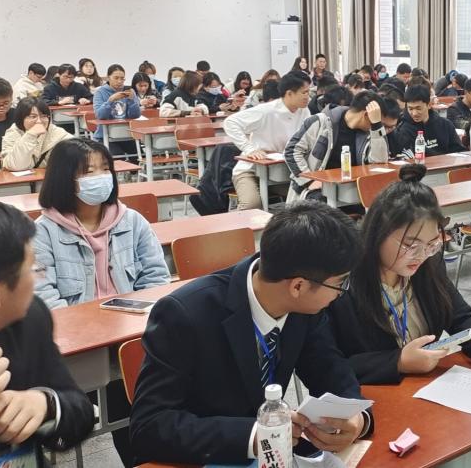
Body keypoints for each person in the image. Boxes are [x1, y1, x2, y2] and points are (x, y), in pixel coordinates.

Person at [129, 203, 374, 466]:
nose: (341, 293)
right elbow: (148, 425)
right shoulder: (185, 313)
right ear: (298, 286)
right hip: (200, 458)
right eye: (340, 283)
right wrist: (255, 434)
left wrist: (358, 419)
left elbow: (330, 368)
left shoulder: (305, 308)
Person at [328, 165, 471, 386]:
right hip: (372, 395)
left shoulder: (428, 265)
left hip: (425, 387)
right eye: (411, 245)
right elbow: (327, 365)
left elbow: (460, 316)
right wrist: (397, 362)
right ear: (378, 233)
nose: (420, 255)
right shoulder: (342, 283)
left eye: (431, 244)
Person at [33, 138, 169, 466]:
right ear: (64, 179)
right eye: (88, 171)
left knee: (148, 394)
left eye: (105, 168)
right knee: (121, 395)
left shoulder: (131, 221)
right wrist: (93, 330)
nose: (100, 177)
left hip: (132, 335)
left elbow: (156, 279)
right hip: (80, 346)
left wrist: (133, 321)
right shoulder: (42, 232)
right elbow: (43, 298)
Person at [0, 199, 95, 466]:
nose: (39, 278)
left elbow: (80, 409)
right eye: (33, 269)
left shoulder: (30, 318)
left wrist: (46, 404)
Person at [286, 92, 400, 200]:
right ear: (366, 115)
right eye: (378, 121)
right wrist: (309, 181)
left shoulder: (370, 133)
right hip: (317, 189)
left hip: (351, 189)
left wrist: (376, 126)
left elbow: (380, 162)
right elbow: (291, 151)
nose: (379, 126)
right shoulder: (320, 122)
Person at [226, 73, 312, 210]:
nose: (308, 96)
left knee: (309, 198)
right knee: (251, 205)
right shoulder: (267, 110)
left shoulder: (304, 111)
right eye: (304, 92)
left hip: (282, 171)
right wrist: (249, 149)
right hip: (251, 170)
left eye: (309, 92)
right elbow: (230, 122)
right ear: (289, 93)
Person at [1, 99, 73, 172]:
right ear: (21, 118)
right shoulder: (13, 133)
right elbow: (15, 166)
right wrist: (31, 135)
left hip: (50, 177)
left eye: (43, 116)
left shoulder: (56, 132)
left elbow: (74, 153)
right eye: (33, 116)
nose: (39, 121)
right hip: (21, 179)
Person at [393, 85, 465, 157]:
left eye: (418, 108)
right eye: (410, 109)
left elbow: (459, 151)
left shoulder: (445, 125)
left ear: (429, 105)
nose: (414, 113)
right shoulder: (404, 131)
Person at [92, 65, 141, 156]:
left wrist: (131, 101)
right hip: (105, 135)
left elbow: (135, 115)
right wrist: (110, 101)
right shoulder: (100, 92)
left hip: (126, 134)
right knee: (117, 155)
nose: (119, 81)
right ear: (108, 78)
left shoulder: (129, 91)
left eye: (122, 78)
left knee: (139, 155)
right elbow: (100, 115)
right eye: (116, 78)